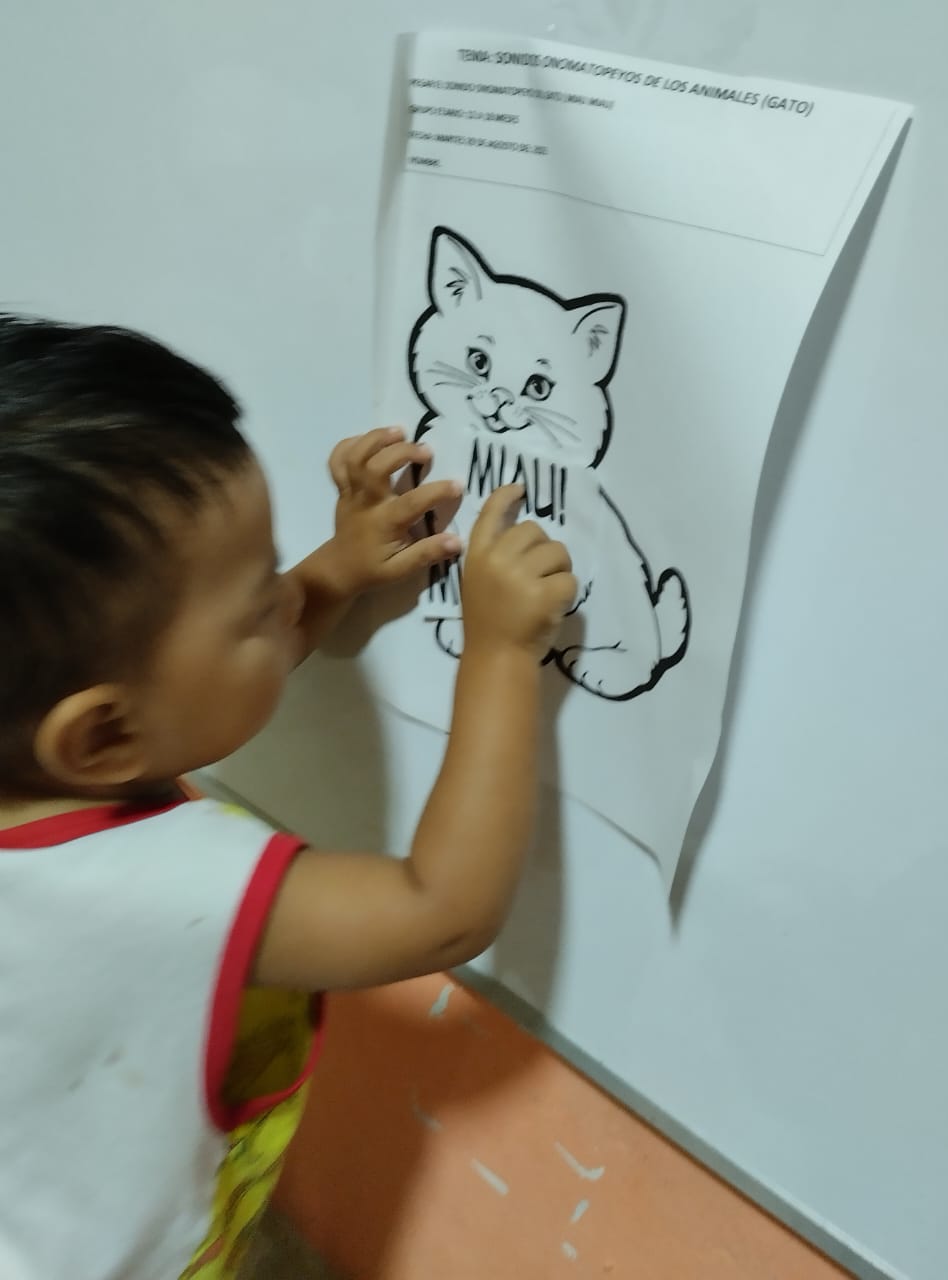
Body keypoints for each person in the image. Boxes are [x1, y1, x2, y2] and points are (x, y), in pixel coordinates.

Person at [0, 314, 576, 1279]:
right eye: (256, 602)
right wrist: (501, 652)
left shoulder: (47, 763)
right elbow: (438, 910)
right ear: (100, 738)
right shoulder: (157, 886)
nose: (285, 601)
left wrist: (336, 570)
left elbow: (185, 697)